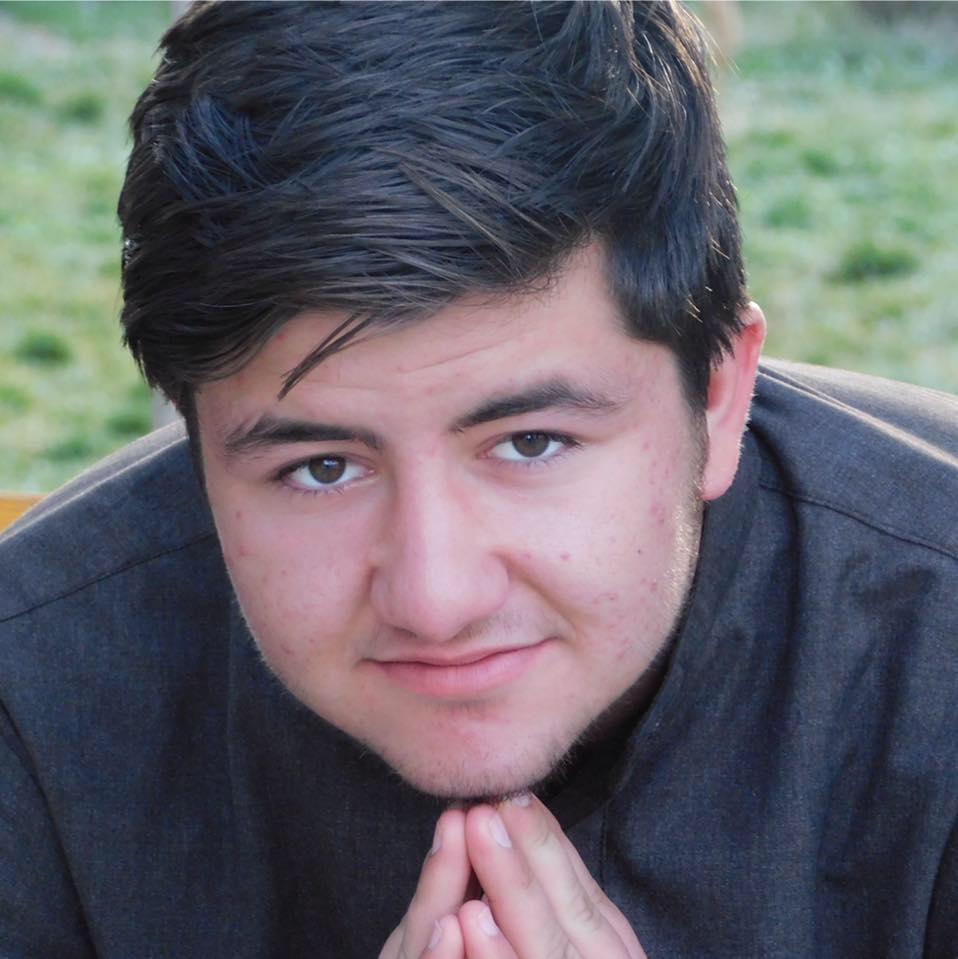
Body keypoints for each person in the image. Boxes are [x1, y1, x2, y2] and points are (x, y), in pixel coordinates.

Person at [1, 2, 956, 956]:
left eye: (530, 443)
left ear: (716, 391)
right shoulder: (33, 701)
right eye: (322, 468)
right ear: (196, 437)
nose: (436, 599)